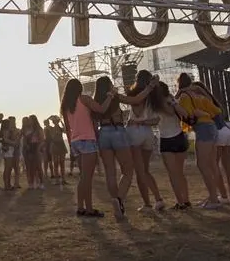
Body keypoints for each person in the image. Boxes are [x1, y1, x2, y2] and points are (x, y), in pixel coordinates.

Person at [60, 78, 115, 218]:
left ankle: (80, 207)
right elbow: (101, 109)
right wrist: (109, 96)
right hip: (88, 140)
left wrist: (72, 144)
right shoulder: (84, 99)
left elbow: (67, 128)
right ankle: (89, 208)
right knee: (87, 178)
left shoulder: (65, 105)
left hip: (76, 141)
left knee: (83, 177)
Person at [116, 70, 166, 212]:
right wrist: (144, 123)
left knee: (140, 172)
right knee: (145, 170)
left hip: (134, 132)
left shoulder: (136, 94)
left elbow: (137, 112)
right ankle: (158, 199)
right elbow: (156, 120)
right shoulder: (154, 97)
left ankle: (147, 204)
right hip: (148, 134)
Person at [176, 73, 222, 209]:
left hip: (202, 129)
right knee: (211, 164)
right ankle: (214, 196)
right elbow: (217, 110)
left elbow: (187, 114)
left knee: (202, 165)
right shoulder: (200, 96)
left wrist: (197, 113)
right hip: (211, 127)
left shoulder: (184, 97)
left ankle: (214, 199)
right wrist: (206, 113)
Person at [92, 76, 134, 220]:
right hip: (117, 131)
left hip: (103, 133)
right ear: (109, 85)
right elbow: (133, 101)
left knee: (110, 173)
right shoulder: (115, 97)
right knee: (128, 170)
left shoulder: (96, 101)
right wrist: (149, 88)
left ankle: (116, 204)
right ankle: (119, 199)